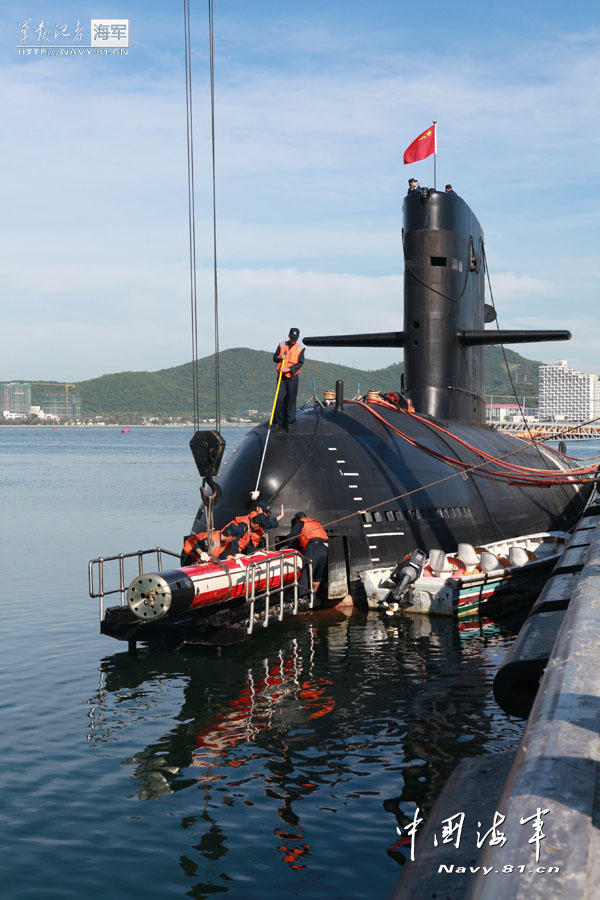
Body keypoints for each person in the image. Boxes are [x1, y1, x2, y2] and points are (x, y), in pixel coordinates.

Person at [283, 511, 328, 597]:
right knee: (318, 574)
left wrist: (286, 545)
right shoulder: (316, 522)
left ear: (297, 520)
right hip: (325, 547)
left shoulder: (301, 522)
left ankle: (302, 597)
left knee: (306, 572)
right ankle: (314, 595)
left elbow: (293, 535)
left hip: (314, 547)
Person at [273, 327, 305, 433]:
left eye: (295, 338)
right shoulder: (282, 345)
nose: (293, 340)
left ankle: (290, 423)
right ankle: (277, 422)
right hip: (281, 376)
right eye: (292, 337)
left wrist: (289, 369)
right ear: (289, 336)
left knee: (291, 400)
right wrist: (279, 357)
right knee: (279, 400)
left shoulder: (300, 348)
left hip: (292, 377)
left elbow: (300, 363)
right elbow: (274, 358)